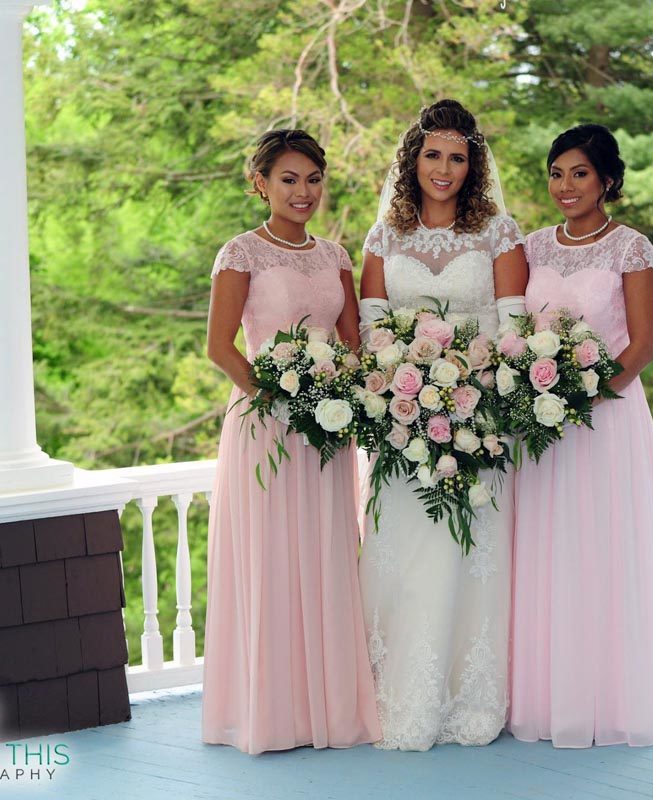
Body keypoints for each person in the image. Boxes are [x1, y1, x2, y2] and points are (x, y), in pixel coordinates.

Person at [201, 129, 381, 754]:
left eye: (313, 180)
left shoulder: (335, 256)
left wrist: (339, 397)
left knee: (327, 554)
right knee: (272, 558)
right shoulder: (241, 253)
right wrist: (279, 399)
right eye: (289, 179)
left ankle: (324, 710)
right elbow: (220, 347)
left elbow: (353, 344)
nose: (303, 192)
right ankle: (272, 714)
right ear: (261, 184)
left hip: (328, 431)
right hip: (265, 427)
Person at [357, 99, 528, 751]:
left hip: (478, 420)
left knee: (465, 556)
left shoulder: (498, 234)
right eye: (433, 155)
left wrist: (468, 389)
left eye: (458, 158)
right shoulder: (384, 237)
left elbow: (513, 327)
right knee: (405, 558)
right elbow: (372, 328)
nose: (444, 168)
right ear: (412, 160)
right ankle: (397, 697)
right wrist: (406, 386)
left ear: (473, 166)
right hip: (401, 423)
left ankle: (465, 698)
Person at [509, 123, 653, 748]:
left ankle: (610, 702)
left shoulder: (631, 249)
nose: (565, 185)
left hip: (607, 421)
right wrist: (536, 395)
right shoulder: (532, 248)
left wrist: (582, 397)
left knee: (601, 552)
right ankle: (548, 700)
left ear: (607, 179)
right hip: (539, 427)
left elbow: (643, 345)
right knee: (545, 553)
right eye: (556, 173)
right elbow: (515, 330)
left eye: (579, 173)